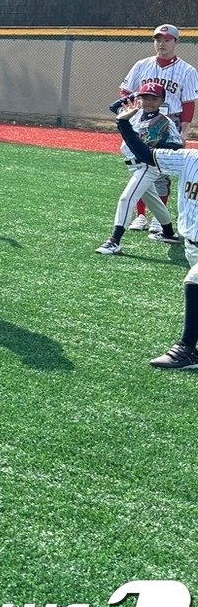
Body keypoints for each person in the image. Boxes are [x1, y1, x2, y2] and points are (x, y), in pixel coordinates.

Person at [114, 101, 198, 369]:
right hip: (192, 245)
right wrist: (123, 124)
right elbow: (147, 156)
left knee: (194, 281)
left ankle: (186, 350)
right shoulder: (190, 159)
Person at [120, 24, 198, 233]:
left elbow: (189, 102)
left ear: (176, 42)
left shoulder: (187, 70)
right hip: (142, 121)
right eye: (157, 39)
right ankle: (141, 216)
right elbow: (125, 91)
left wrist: (184, 131)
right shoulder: (141, 65)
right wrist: (131, 113)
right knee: (138, 166)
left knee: (161, 171)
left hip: (168, 122)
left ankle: (158, 218)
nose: (161, 44)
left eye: (166, 40)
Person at [97, 80, 183, 253]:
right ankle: (168, 232)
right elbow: (113, 107)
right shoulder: (134, 113)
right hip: (133, 166)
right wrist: (134, 96)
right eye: (145, 98)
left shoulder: (165, 122)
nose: (149, 102)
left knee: (126, 198)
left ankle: (115, 240)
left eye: (154, 98)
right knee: (154, 201)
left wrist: (154, 150)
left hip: (148, 165)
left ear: (162, 101)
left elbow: (177, 145)